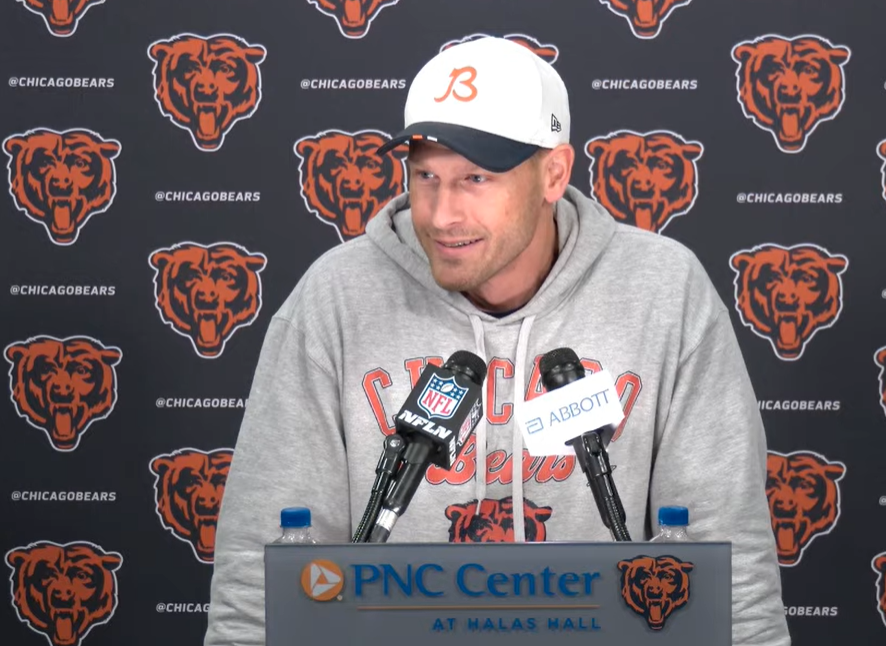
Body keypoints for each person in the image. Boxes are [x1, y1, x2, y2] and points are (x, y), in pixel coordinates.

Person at [204, 36, 790, 645]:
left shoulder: (665, 292)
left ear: (553, 173)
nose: (441, 214)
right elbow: (263, 571)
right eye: (426, 175)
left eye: (476, 177)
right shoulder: (335, 297)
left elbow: (728, 563)